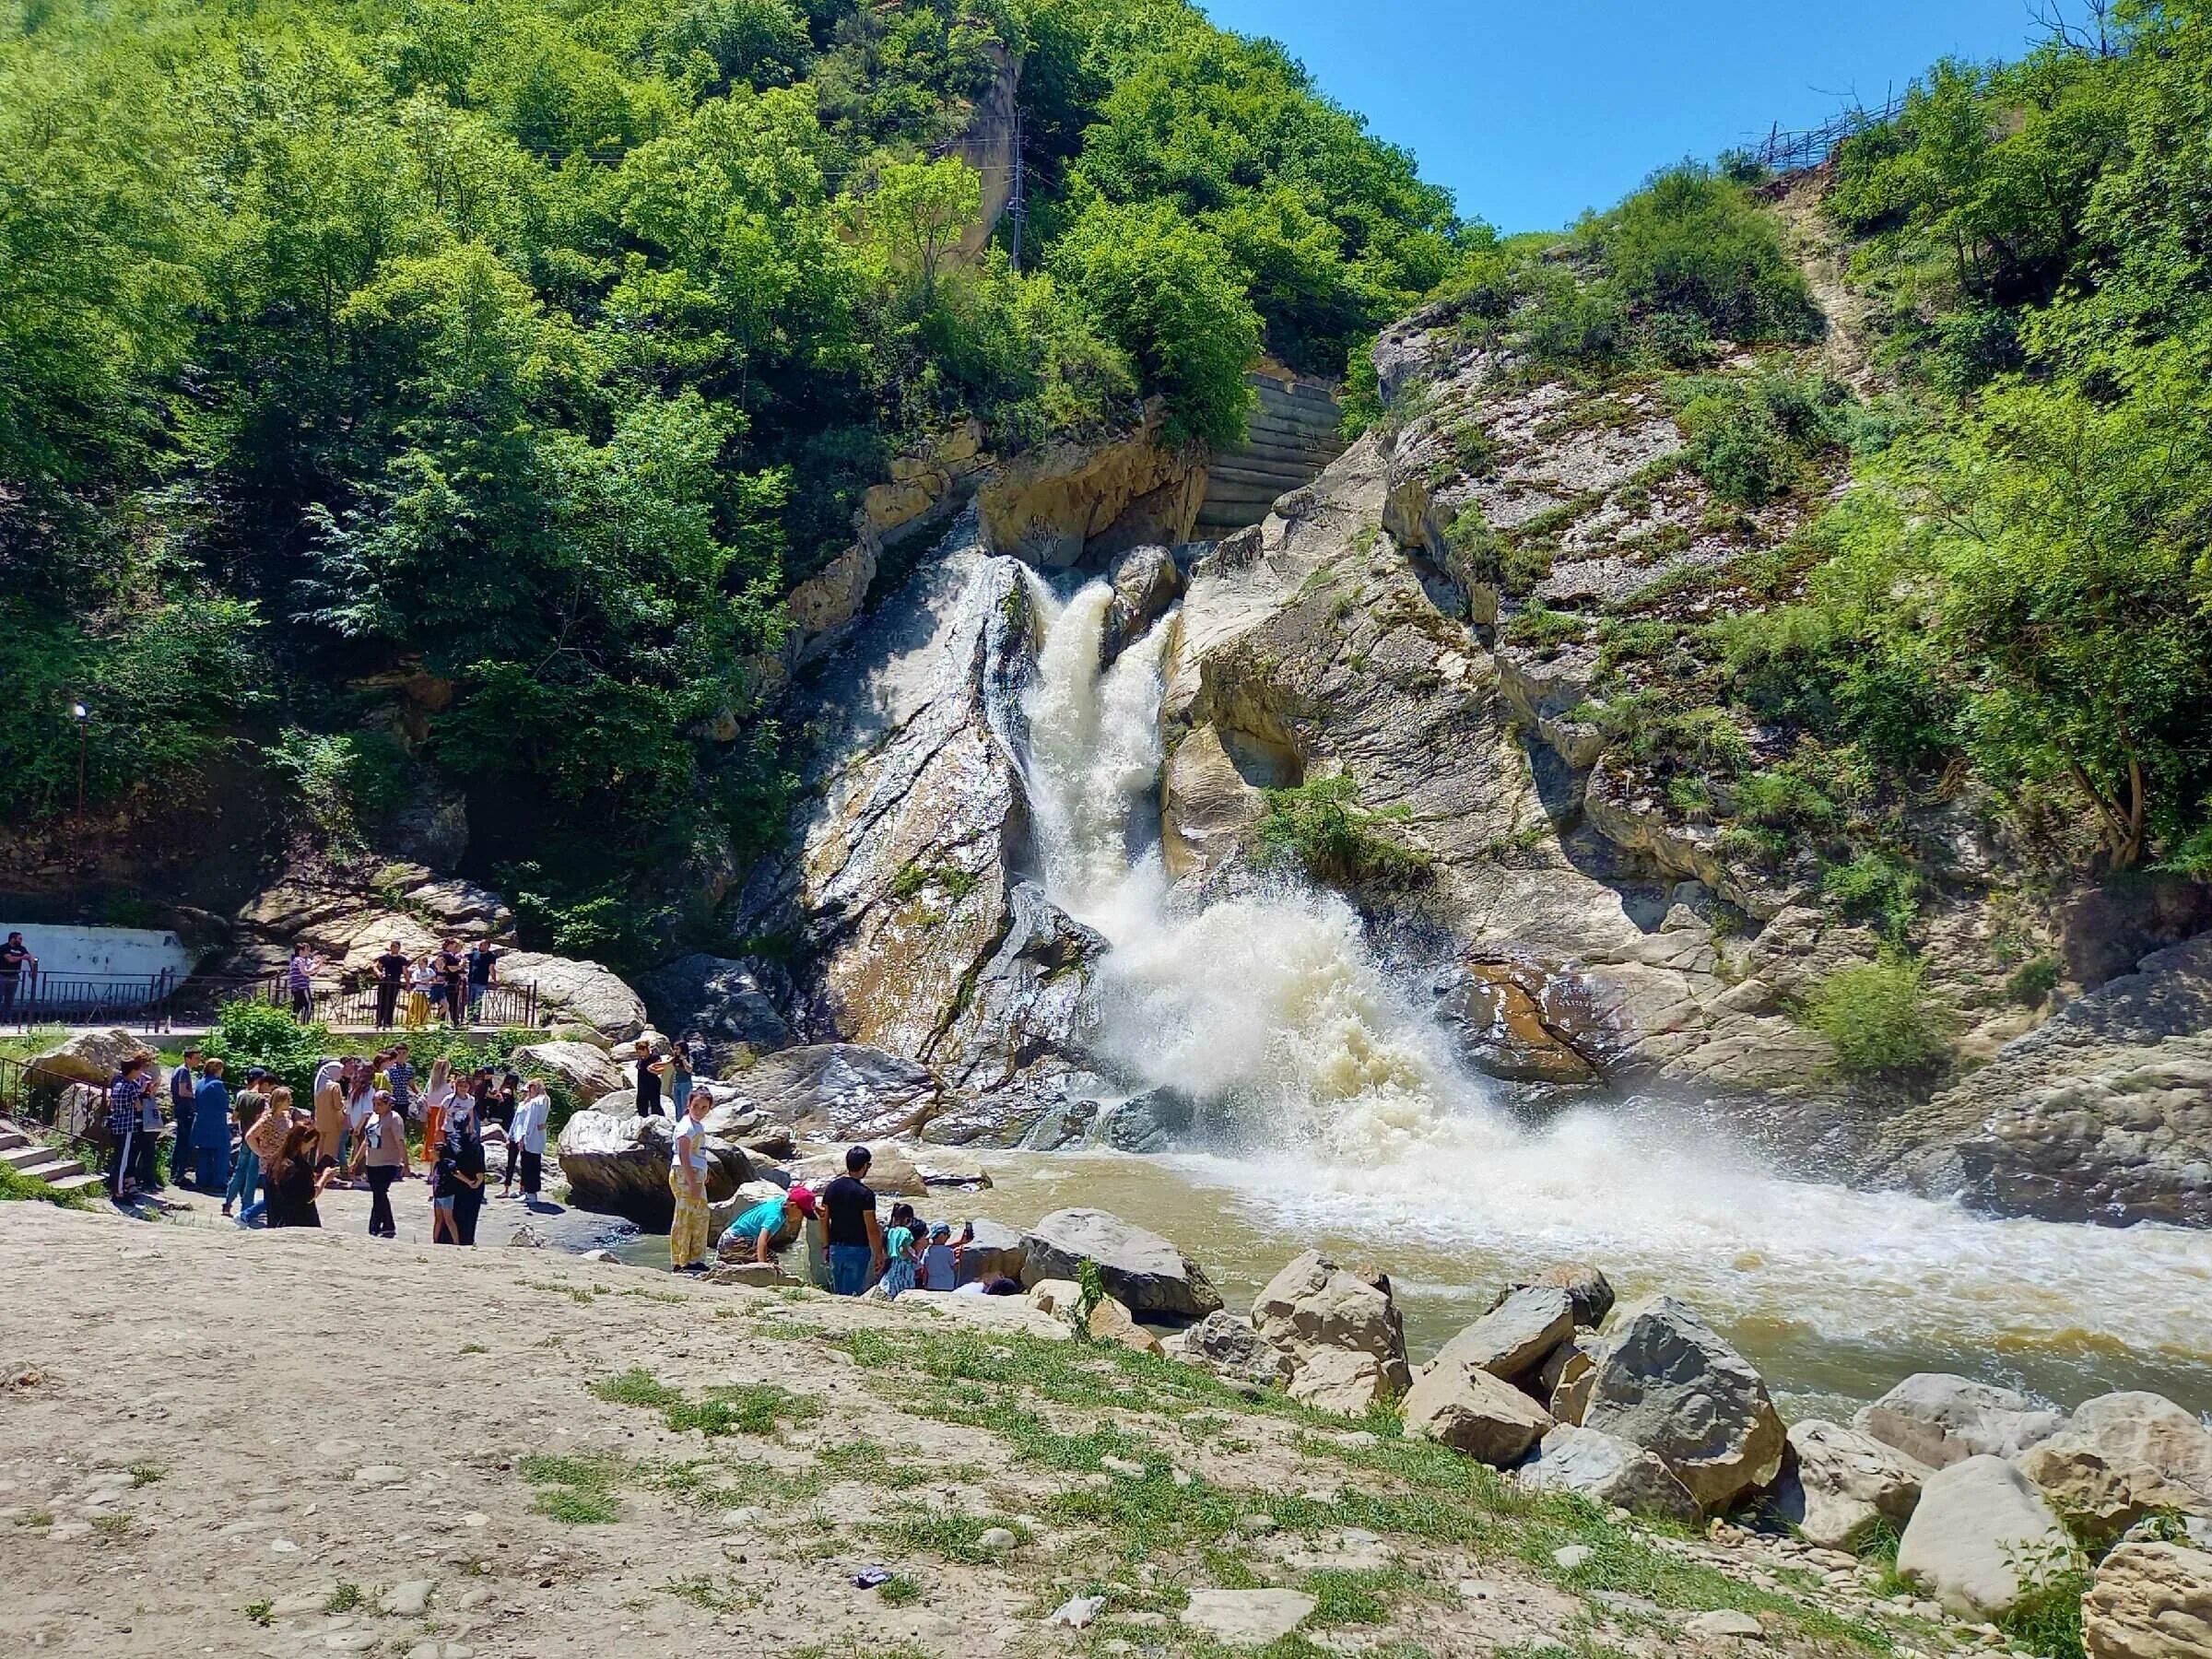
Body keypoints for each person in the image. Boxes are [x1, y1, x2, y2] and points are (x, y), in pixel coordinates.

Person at [820, 1146, 885, 1297]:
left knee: (838, 1292)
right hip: (858, 1250)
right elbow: (871, 1228)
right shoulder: (866, 1194)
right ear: (864, 1166)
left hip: (836, 1248)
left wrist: (825, 1246)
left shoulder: (832, 1188)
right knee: (851, 1295)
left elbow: (824, 1219)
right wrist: (879, 1254)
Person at [351, 1088, 410, 1239]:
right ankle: (376, 1226)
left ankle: (387, 1225)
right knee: (377, 1194)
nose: (376, 1107)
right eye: (374, 1104)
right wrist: (356, 1160)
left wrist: (406, 1164)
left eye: (379, 1104)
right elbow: (366, 1140)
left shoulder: (394, 1118)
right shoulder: (372, 1118)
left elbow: (400, 1141)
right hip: (372, 1161)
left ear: (388, 1105)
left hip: (388, 1162)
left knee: (380, 1192)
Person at [667, 1090, 712, 1275]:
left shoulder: (697, 1126)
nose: (699, 1111)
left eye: (704, 1107)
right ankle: (680, 1261)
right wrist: (693, 1182)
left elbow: (697, 1153)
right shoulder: (685, 1127)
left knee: (701, 1216)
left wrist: (704, 1172)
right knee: (684, 1217)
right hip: (685, 1175)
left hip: (695, 1174)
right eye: (696, 1106)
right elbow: (684, 1155)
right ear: (688, 1105)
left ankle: (695, 1259)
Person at [716, 1184, 818, 1264]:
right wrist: (763, 1266)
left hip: (727, 1239)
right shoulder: (775, 1217)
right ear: (793, 1206)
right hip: (735, 1241)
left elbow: (796, 1196)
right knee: (771, 1260)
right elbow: (762, 1240)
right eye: (802, 1214)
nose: (801, 1218)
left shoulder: (781, 1201)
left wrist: (817, 1208)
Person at [433, 1094, 487, 1245]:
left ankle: (446, 1240)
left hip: (455, 1183)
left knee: (453, 1215)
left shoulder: (449, 1140)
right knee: (469, 1216)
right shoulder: (473, 1141)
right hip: (473, 1184)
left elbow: (448, 1165)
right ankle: (466, 1241)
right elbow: (479, 1166)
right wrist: (476, 1181)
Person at [238, 1082, 293, 1226]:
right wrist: (260, 1152)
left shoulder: (287, 1115)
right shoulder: (267, 1118)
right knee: (274, 1195)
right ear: (280, 1101)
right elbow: (249, 1136)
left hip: (284, 1160)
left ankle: (278, 1220)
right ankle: (245, 1215)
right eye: (288, 1099)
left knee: (282, 1193)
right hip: (270, 1162)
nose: (290, 1102)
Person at [265, 1121, 331, 1229]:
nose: (312, 1146)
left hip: (277, 1221)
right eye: (312, 1142)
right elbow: (309, 1196)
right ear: (303, 1142)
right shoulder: (301, 1167)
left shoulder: (274, 1162)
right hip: (300, 1222)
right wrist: (324, 1178)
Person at [104, 1053, 153, 1201]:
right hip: (127, 1127)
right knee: (123, 1161)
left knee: (118, 1158)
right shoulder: (130, 1086)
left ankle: (116, 1188)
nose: (140, 1074)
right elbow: (138, 1107)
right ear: (132, 1071)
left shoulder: (118, 1084)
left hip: (117, 1125)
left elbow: (112, 1104)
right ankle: (118, 1192)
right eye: (139, 1071)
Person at [190, 1058, 232, 1194]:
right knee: (222, 1152)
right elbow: (224, 1104)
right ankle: (218, 1182)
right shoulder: (217, 1084)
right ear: (218, 1070)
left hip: (201, 1122)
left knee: (204, 1153)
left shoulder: (200, 1083)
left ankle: (202, 1180)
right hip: (216, 1123)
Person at [507, 1079, 550, 1203]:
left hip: (531, 1138)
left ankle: (530, 1193)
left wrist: (523, 1137)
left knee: (529, 1165)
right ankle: (528, 1192)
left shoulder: (535, 1102)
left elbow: (530, 1121)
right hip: (539, 1136)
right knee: (533, 1164)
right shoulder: (546, 1100)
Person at [163, 1047, 201, 1188]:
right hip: (184, 1110)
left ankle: (176, 1173)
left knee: (181, 1143)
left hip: (182, 1110)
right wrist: (196, 1095)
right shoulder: (183, 1071)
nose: (199, 1061)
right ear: (188, 1058)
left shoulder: (182, 1070)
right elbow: (183, 1091)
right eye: (196, 1058)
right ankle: (178, 1175)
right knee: (183, 1143)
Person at [878, 1204, 922, 1300]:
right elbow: (902, 1249)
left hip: (893, 1263)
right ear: (907, 1219)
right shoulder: (905, 1232)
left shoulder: (891, 1231)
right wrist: (913, 1258)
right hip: (904, 1265)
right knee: (905, 1289)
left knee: (893, 1285)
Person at [920, 1221, 972, 1292]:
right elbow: (954, 1267)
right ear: (942, 1236)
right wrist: (957, 1258)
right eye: (948, 1235)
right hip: (946, 1285)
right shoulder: (948, 1251)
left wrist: (925, 1284)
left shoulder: (926, 1251)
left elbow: (925, 1270)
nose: (948, 1237)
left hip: (931, 1284)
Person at [419, 1056, 454, 1161]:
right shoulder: (446, 1084)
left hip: (431, 1109)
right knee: (439, 1133)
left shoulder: (432, 1081)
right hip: (441, 1110)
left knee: (430, 1133)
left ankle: (428, 1154)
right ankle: (437, 1155)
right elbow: (449, 1096)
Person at [371, 938, 409, 1030]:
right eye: (393, 946)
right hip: (384, 982)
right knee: (381, 1001)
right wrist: (378, 973)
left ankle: (388, 1021)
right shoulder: (384, 957)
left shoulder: (402, 959)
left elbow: (405, 972)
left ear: (399, 948)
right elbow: (376, 967)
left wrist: (408, 983)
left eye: (396, 947)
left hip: (395, 983)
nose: (394, 948)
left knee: (391, 1002)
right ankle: (379, 1021)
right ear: (390, 947)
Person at [0, 931, 36, 1018]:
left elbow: (30, 958)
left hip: (14, 976)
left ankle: (7, 1018)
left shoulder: (21, 948)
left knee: (10, 999)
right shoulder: (4, 947)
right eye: (19, 939)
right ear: (13, 939)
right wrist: (22, 957)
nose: (21, 941)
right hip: (2, 975)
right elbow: (10, 959)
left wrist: (33, 970)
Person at [435, 938, 467, 1029]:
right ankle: (454, 1022)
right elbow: (450, 968)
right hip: (450, 982)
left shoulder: (448, 955)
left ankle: (444, 1022)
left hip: (451, 982)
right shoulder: (447, 955)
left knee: (448, 1003)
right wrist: (460, 966)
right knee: (451, 1003)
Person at [465, 939, 500, 1017]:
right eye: (480, 944)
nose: (480, 946)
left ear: (487, 946)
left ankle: (476, 1018)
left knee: (477, 1000)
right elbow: (464, 959)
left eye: (482, 945)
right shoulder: (474, 954)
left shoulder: (491, 956)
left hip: (481, 981)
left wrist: (494, 979)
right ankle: (469, 1017)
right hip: (471, 980)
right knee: (470, 1000)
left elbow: (491, 968)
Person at [286, 944, 321, 1020]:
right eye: (307, 950)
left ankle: (292, 1023)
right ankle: (305, 1025)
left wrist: (317, 965)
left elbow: (309, 972)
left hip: (296, 987)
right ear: (301, 951)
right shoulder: (299, 960)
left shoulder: (295, 959)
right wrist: (314, 966)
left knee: (298, 1006)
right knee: (309, 1005)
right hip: (302, 987)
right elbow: (305, 972)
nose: (309, 952)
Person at [633, 1041, 663, 1118]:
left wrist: (651, 1070)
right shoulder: (641, 1059)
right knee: (641, 1104)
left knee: (655, 1104)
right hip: (642, 1085)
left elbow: (661, 1070)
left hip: (653, 1085)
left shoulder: (654, 1057)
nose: (639, 1054)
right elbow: (638, 1067)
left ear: (646, 1050)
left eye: (640, 1052)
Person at [405, 955, 436, 1030]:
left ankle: (423, 1023)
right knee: (416, 1008)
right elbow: (415, 980)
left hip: (427, 992)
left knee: (425, 1009)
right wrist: (424, 982)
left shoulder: (430, 971)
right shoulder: (417, 972)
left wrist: (431, 983)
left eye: (421, 964)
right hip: (418, 992)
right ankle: (414, 1023)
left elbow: (434, 979)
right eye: (419, 964)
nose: (420, 965)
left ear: (426, 964)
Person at [385, 1043, 416, 1122]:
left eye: (404, 1053)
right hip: (391, 1102)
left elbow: (412, 1084)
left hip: (404, 1102)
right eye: (399, 1053)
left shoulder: (409, 1068)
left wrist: (420, 1094)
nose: (401, 1055)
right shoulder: (390, 1068)